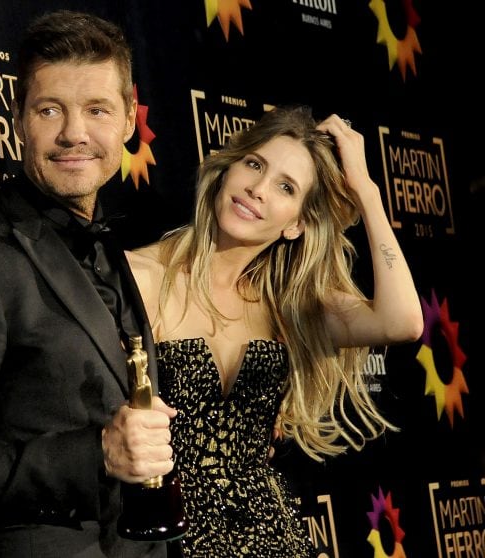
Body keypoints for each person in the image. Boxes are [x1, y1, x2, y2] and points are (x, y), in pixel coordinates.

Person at [0, 9, 174, 557]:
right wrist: (95, 455)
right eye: (50, 110)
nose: (74, 133)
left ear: (127, 121)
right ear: (19, 120)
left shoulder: (115, 249)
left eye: (97, 110)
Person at [123, 106, 424, 556]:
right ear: (229, 168)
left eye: (286, 187)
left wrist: (366, 191)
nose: (258, 190)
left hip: (271, 534)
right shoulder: (140, 275)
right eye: (254, 164)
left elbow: (402, 322)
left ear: (297, 223)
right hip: (170, 539)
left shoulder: (286, 304)